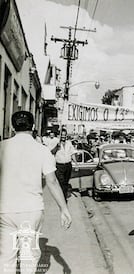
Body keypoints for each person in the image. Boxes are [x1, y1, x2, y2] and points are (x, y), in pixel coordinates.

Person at [0, 111, 71, 274]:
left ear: (12, 127)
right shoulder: (42, 150)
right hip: (31, 210)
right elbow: (52, 182)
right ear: (33, 127)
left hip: (5, 209)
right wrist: (64, 209)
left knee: (6, 257)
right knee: (28, 257)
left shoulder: (1, 148)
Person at [55, 128, 76, 202]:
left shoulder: (69, 143)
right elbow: (51, 152)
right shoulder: (56, 142)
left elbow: (72, 153)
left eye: (65, 135)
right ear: (59, 135)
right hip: (59, 166)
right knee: (61, 182)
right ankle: (63, 198)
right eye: (62, 135)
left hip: (68, 165)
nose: (63, 137)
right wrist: (56, 147)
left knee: (66, 182)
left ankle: (64, 196)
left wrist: (76, 162)